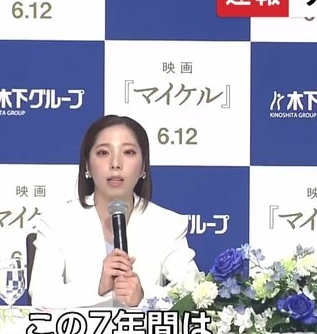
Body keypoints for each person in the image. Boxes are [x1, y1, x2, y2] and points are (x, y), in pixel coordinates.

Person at [28, 115, 200, 308]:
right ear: (87, 165)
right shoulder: (57, 221)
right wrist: (99, 289)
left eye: (128, 152)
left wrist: (144, 296)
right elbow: (41, 297)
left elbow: (195, 294)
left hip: (140, 329)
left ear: (143, 166)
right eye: (103, 153)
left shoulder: (167, 224)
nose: (115, 163)